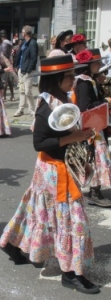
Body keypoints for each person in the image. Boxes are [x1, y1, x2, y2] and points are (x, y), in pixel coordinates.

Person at [0, 54, 100, 294]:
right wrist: (72, 137)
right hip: (53, 172)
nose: (72, 80)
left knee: (37, 214)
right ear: (55, 79)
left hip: (60, 168)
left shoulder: (63, 98)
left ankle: (12, 244)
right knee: (72, 222)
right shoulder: (46, 106)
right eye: (68, 76)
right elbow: (39, 142)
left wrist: (82, 148)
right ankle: (71, 272)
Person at [74, 49, 111, 208]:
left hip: (95, 124)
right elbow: (85, 106)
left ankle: (94, 189)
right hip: (91, 126)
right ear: (89, 64)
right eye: (97, 63)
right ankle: (94, 192)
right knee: (94, 158)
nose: (100, 65)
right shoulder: (84, 82)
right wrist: (105, 102)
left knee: (95, 158)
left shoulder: (90, 80)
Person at [14, 25, 38, 117]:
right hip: (21, 69)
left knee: (28, 91)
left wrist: (29, 70)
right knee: (22, 90)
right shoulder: (24, 43)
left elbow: (33, 58)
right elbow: (19, 54)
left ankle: (32, 109)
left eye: (22, 32)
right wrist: (17, 66)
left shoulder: (32, 43)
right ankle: (21, 109)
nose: (21, 33)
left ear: (24, 33)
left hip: (27, 71)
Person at [0, 29, 17, 102]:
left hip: (5, 63)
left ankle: (4, 96)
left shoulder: (4, 44)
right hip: (9, 62)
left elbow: (3, 55)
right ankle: (12, 96)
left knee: (4, 80)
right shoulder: (9, 43)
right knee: (9, 80)